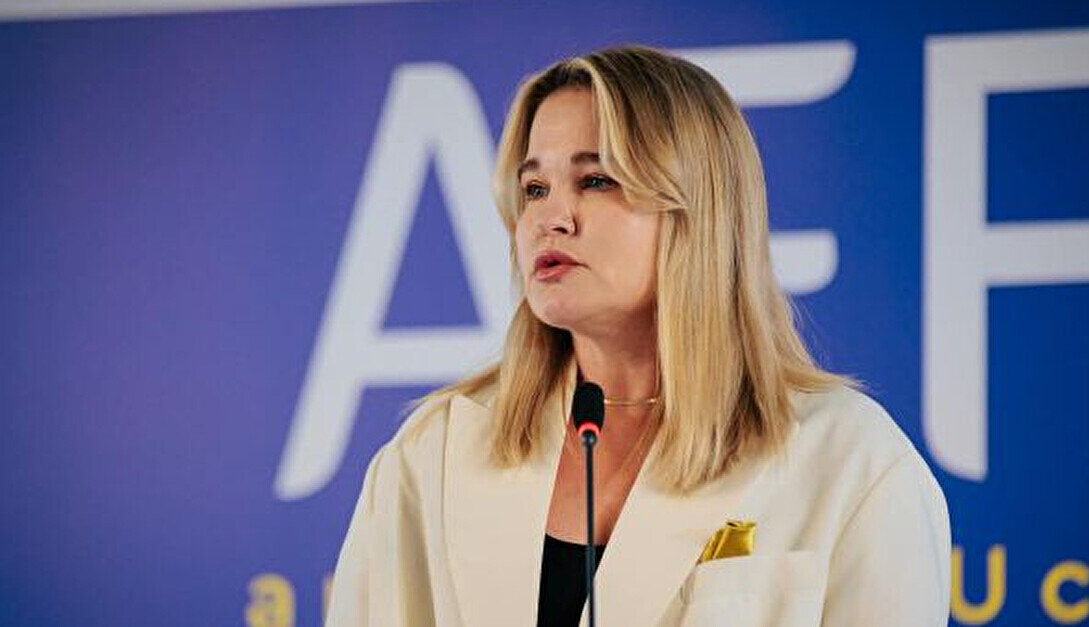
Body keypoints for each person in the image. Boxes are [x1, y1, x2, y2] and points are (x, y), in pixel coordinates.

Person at [325, 45, 950, 627]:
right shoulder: (432, 454)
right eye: (534, 189)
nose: (549, 218)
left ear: (699, 209)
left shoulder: (852, 462)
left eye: (595, 180)